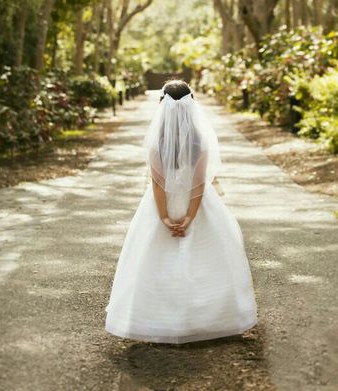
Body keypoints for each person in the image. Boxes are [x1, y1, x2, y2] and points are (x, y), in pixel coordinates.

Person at [105, 79, 258, 344]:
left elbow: (157, 185)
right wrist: (189, 217)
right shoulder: (201, 143)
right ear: (191, 106)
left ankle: (160, 319)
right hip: (197, 206)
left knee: (152, 260)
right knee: (207, 259)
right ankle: (206, 318)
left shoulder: (155, 144)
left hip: (161, 205)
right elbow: (199, 186)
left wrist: (164, 216)